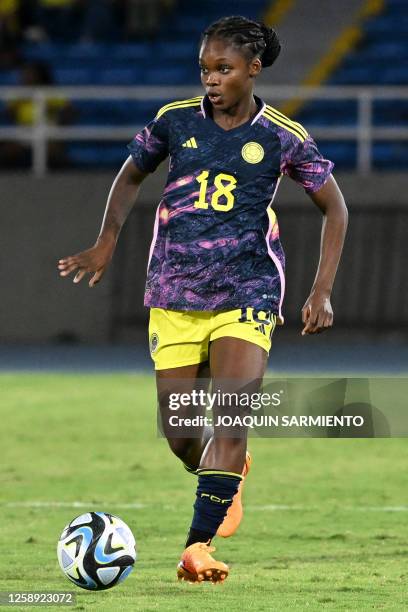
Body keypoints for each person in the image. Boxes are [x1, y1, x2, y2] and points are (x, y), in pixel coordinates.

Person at [58, 15, 348, 583]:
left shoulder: (283, 135)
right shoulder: (174, 121)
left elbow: (335, 207)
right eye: (205, 69)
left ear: (252, 69)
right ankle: (225, 475)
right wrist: (106, 241)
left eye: (223, 69)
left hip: (249, 288)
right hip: (174, 289)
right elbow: (129, 176)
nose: (211, 79)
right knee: (180, 431)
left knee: (232, 416)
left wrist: (321, 290)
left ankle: (197, 546)